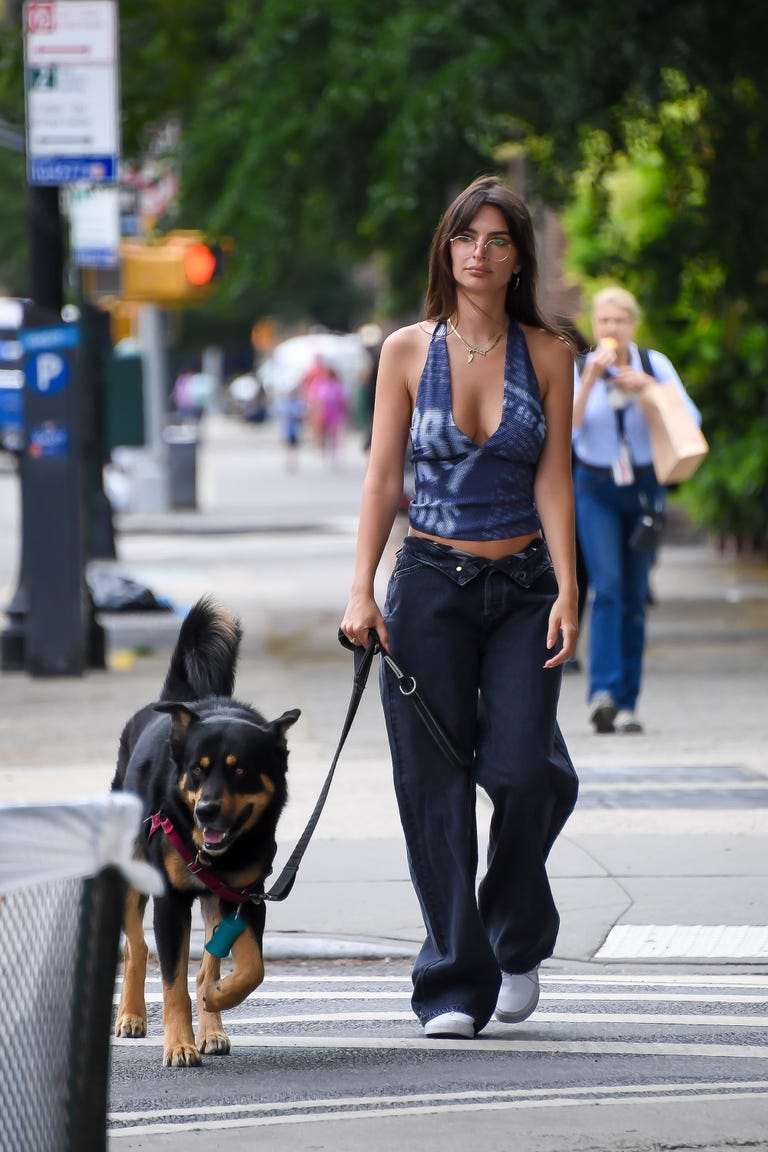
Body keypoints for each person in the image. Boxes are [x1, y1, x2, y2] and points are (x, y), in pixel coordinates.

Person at [340, 175, 579, 1040]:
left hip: (522, 587)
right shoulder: (408, 350)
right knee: (432, 787)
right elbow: (381, 477)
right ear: (447, 251)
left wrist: (571, 587)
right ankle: (451, 980)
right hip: (430, 585)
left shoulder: (549, 351)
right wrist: (362, 585)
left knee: (524, 773)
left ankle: (517, 937)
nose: (480, 252)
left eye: (498, 239)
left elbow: (554, 476)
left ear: (519, 258)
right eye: (465, 238)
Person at [572, 286, 701, 735]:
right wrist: (590, 380)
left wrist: (648, 387)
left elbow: (690, 419)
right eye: (603, 321)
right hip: (595, 487)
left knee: (634, 593)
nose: (611, 329)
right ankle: (603, 694)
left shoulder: (653, 364)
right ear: (594, 324)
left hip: (645, 489)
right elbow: (565, 429)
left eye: (619, 321)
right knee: (606, 587)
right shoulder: (578, 366)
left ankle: (627, 702)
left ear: (632, 325)